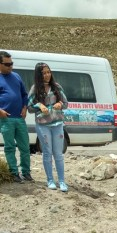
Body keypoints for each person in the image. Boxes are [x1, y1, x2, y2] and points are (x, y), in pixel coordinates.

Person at [28, 62, 69, 191]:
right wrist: (39, 105)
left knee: (58, 153)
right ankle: (50, 180)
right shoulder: (35, 89)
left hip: (57, 124)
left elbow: (66, 103)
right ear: (39, 75)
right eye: (44, 73)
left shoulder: (57, 87)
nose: (47, 75)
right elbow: (29, 107)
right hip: (43, 125)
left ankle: (62, 181)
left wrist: (60, 104)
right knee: (47, 152)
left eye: (48, 72)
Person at [0, 50, 33, 184]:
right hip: (5, 118)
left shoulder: (17, 76)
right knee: (10, 147)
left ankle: (26, 172)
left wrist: (25, 108)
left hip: (19, 118)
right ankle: (14, 173)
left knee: (25, 146)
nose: (11, 66)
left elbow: (24, 95)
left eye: (12, 63)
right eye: (7, 64)